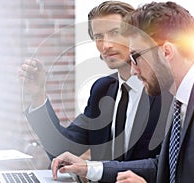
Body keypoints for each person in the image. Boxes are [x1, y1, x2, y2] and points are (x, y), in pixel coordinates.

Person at [51, 1, 194, 183]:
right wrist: (90, 169)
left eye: (136, 57)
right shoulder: (182, 96)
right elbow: (163, 167)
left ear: (166, 52)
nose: (134, 69)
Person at [19, 0, 162, 173]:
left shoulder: (162, 91)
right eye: (98, 37)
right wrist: (38, 96)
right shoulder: (102, 90)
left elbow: (166, 165)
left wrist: (93, 169)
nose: (106, 45)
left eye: (115, 32)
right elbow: (61, 149)